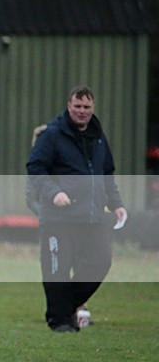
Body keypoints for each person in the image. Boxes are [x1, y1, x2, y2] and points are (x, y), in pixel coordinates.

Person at [26, 86, 126, 332]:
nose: (82, 111)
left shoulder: (99, 137)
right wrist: (54, 193)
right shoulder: (52, 134)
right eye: (77, 106)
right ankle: (60, 321)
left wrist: (116, 204)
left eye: (86, 107)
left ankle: (64, 307)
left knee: (100, 261)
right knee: (57, 268)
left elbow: (106, 174)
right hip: (58, 217)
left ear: (93, 108)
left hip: (92, 217)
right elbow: (36, 167)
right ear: (69, 106)